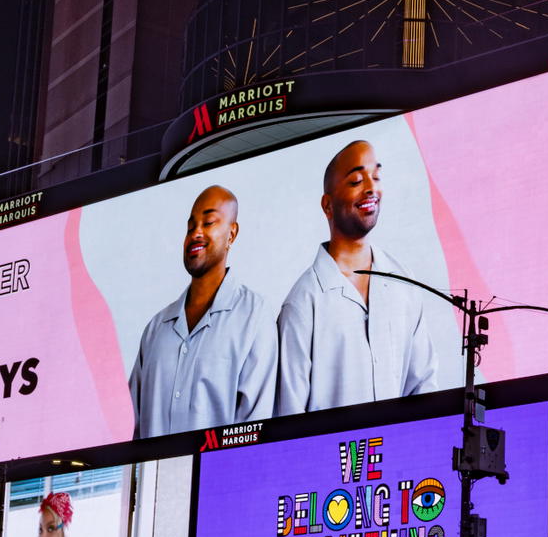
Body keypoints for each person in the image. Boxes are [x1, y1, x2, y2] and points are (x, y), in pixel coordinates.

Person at [275, 140, 441, 416]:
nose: (370, 188)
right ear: (327, 205)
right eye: (355, 180)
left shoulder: (403, 282)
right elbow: (288, 417)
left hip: (401, 454)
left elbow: (423, 386)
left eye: (375, 177)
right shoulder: (303, 303)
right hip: (332, 458)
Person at [128, 184, 277, 439]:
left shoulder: (255, 317)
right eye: (190, 227)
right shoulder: (156, 329)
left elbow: (258, 428)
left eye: (208, 223)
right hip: (152, 479)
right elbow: (129, 427)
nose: (196, 233)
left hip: (222, 478)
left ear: (232, 233)